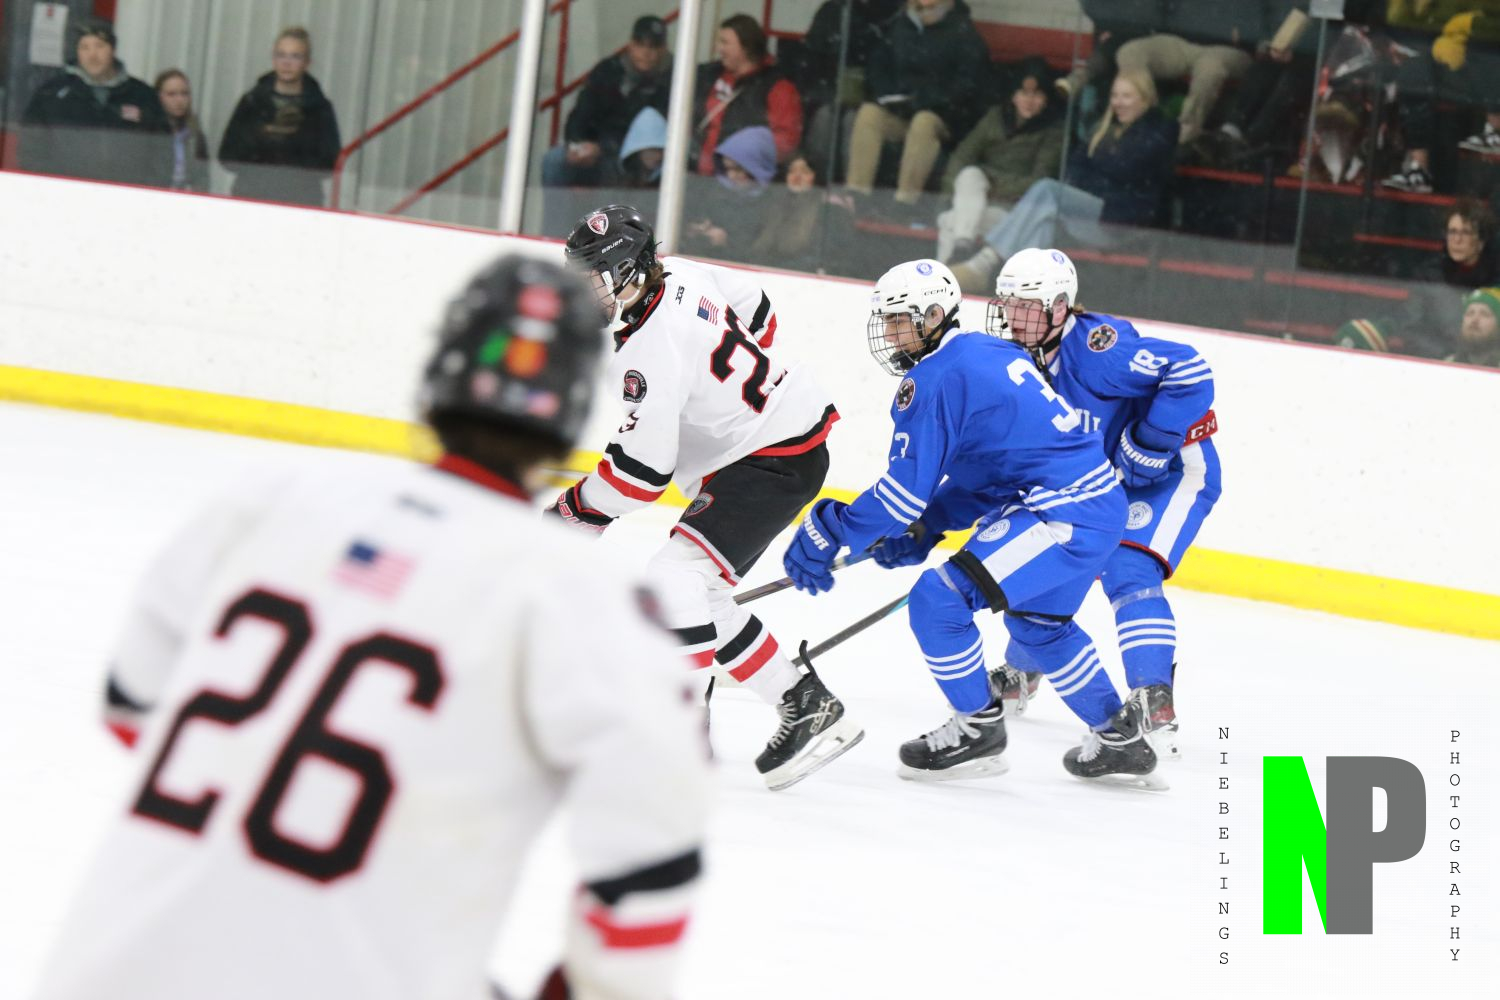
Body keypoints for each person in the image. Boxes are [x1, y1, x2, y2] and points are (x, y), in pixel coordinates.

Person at [31, 255, 712, 1000]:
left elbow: (132, 705)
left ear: (436, 380)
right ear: (575, 412)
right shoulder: (591, 600)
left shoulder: (268, 498)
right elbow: (647, 891)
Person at [781, 258, 1160, 787]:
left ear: (934, 316)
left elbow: (899, 496)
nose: (889, 334)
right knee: (1039, 626)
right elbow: (990, 471)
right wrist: (930, 525)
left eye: (899, 320)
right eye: (886, 321)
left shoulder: (935, 377)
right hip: (1093, 505)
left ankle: (977, 728)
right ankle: (1119, 738)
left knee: (938, 600)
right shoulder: (989, 352)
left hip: (1062, 515)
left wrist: (831, 528)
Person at [552, 204, 860, 791]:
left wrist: (575, 511)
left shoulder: (646, 350)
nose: (583, 290)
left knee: (673, 580)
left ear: (627, 271)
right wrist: (727, 394)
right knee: (703, 596)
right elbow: (759, 313)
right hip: (779, 442)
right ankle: (805, 704)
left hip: (770, 460)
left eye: (594, 277)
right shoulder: (684, 272)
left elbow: (642, 474)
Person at [986, 248, 1222, 761]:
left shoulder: (1098, 349)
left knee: (1128, 570)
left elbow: (1191, 370)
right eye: (1007, 304)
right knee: (1050, 561)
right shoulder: (1023, 361)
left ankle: (1153, 701)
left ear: (1060, 307)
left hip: (1173, 469)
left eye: (1026, 306)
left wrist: (1153, 440)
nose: (1012, 316)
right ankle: (1023, 671)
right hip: (1105, 478)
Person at [951, 71, 1177, 294]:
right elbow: (1075, 166)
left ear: (1146, 98)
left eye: (1126, 96)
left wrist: (1092, 178)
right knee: (1044, 218)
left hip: (1121, 221)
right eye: (1114, 95)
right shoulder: (1102, 127)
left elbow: (1126, 170)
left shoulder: (1160, 130)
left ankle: (983, 264)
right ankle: (1031, 290)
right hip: (1089, 211)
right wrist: (1095, 178)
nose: (1118, 103)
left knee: (1047, 191)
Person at [845, 0, 990, 207]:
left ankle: (905, 200)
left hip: (942, 117)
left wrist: (927, 100)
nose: (925, 12)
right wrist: (886, 94)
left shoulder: (965, 34)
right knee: (869, 114)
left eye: (932, 7)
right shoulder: (900, 27)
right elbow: (878, 64)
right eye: (920, 7)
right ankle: (856, 195)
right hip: (900, 111)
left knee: (923, 122)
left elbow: (967, 86)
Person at [935, 58, 1066, 264]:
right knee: (969, 174)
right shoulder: (996, 117)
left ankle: (946, 271)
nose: (1029, 101)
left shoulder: (1053, 131)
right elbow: (961, 157)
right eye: (1024, 93)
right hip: (975, 198)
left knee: (949, 220)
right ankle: (963, 245)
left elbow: (1038, 183)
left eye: (1036, 95)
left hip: (1012, 212)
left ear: (1046, 98)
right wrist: (949, 195)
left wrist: (991, 184)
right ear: (1014, 95)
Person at [19, 17, 170, 187]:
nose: (92, 55)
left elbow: (162, 150)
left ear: (113, 49)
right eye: (84, 47)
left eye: (99, 46)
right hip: (65, 194)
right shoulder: (52, 95)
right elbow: (31, 149)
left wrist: (147, 190)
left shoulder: (142, 95)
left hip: (126, 195)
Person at [542, 15, 673, 188]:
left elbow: (653, 135)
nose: (646, 53)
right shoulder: (608, 70)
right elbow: (580, 114)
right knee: (554, 160)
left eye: (653, 47)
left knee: (619, 169)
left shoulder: (674, 79)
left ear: (664, 49)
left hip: (639, 158)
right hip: (595, 151)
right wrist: (577, 145)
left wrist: (602, 149)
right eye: (640, 45)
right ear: (631, 45)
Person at [218, 26, 342, 206]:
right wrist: (261, 138)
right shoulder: (252, 102)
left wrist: (295, 144)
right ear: (273, 59)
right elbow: (227, 157)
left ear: (307, 62)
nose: (286, 63)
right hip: (252, 199)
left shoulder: (319, 108)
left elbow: (330, 164)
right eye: (281, 55)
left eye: (295, 56)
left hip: (300, 202)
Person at [691, 14, 803, 176]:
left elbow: (785, 141)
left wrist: (741, 159)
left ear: (746, 47)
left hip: (741, 179)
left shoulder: (778, 87)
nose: (718, 48)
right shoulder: (709, 74)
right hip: (695, 173)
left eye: (725, 42)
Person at [155, 69, 210, 192]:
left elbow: (202, 176)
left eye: (184, 94)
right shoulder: (150, 131)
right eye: (171, 94)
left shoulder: (195, 134)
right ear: (159, 97)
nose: (179, 100)